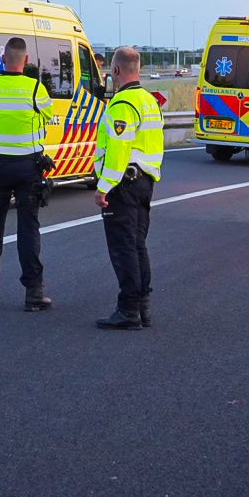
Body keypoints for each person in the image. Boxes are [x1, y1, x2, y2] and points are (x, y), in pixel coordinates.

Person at [0, 36, 55, 311]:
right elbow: (48, 115)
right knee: (28, 228)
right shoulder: (35, 89)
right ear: (27, 61)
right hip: (27, 168)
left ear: (2, 59)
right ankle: (33, 293)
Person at [92, 46, 165, 330]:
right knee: (137, 245)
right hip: (145, 182)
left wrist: (104, 187)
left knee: (123, 249)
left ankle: (128, 310)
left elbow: (118, 152)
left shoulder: (122, 105)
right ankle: (143, 307)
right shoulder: (149, 101)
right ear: (139, 69)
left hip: (123, 185)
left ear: (115, 70)